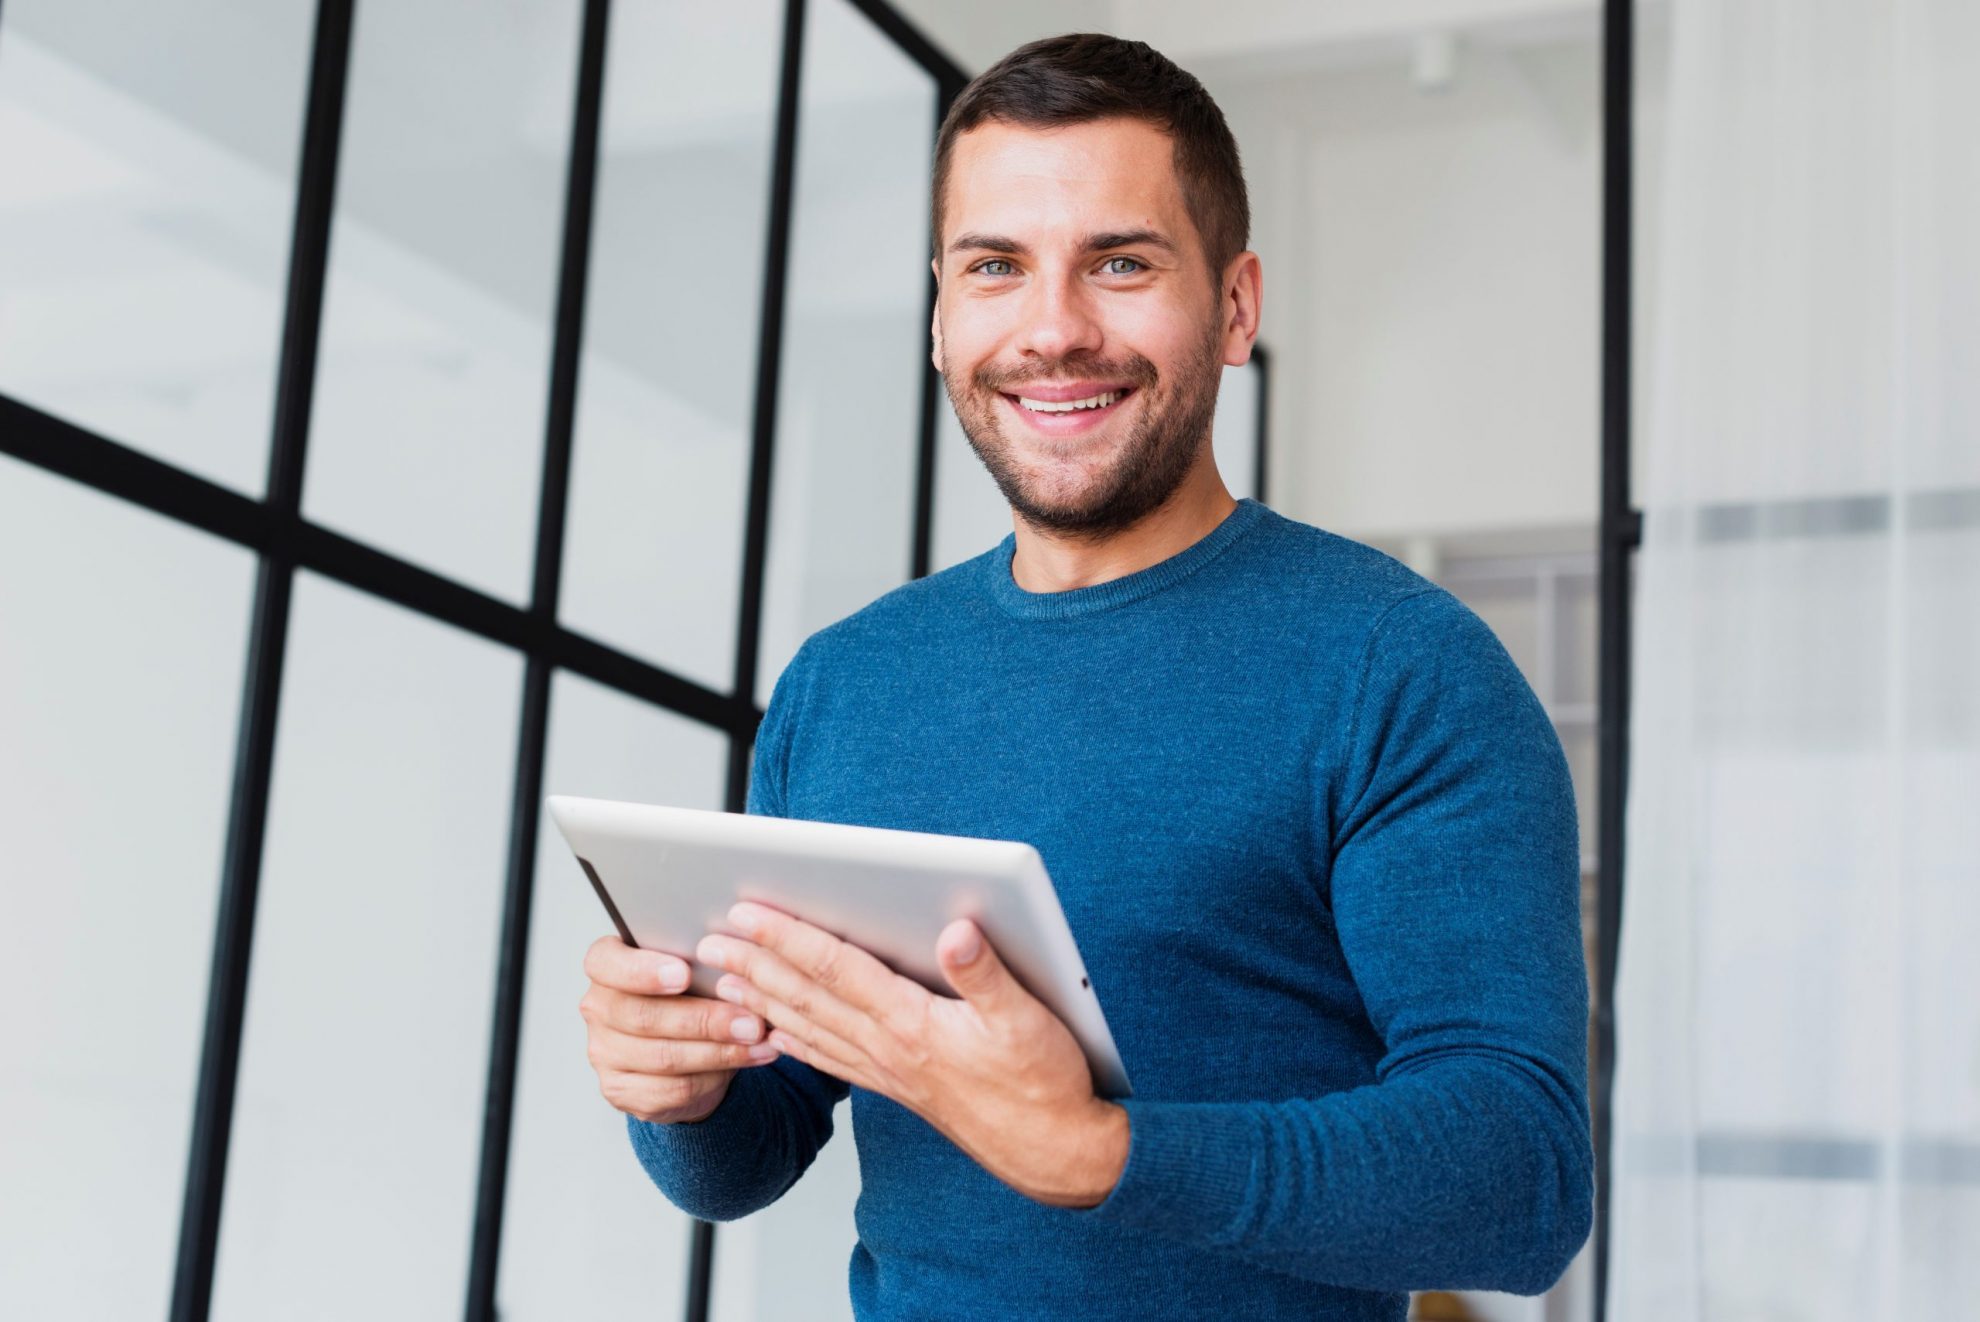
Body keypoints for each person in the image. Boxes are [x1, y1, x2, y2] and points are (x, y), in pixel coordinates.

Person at [577, 33, 1593, 1320]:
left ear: (1234, 306)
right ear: (942, 315)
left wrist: (1098, 1151)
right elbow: (755, 1147)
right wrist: (680, 1081)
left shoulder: (1403, 668)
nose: (1053, 330)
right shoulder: (846, 683)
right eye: (996, 267)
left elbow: (1522, 1176)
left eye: (1119, 262)